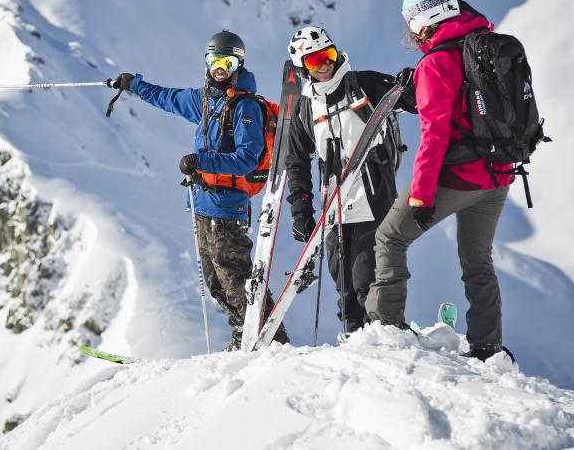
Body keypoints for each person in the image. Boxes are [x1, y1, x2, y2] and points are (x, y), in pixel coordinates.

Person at [109, 30, 289, 350]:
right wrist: (133, 84)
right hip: (203, 202)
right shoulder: (205, 101)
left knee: (234, 277)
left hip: (227, 204)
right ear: (206, 62)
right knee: (215, 282)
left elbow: (246, 159)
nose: (220, 68)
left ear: (238, 64)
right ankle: (244, 335)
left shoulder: (245, 107)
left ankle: (271, 340)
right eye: (214, 60)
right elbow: (168, 97)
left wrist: (201, 160)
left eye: (227, 62)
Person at [365, 0, 514, 362]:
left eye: (410, 19)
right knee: (478, 261)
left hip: (458, 176)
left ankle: (386, 331)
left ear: (422, 19)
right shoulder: (479, 43)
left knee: (390, 238)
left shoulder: (436, 62)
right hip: (498, 174)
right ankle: (487, 346)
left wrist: (421, 195)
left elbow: (435, 136)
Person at [283, 26, 404, 339]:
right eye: (314, 60)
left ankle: (384, 340)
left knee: (367, 280)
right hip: (334, 207)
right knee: (345, 287)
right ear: (302, 66)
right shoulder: (306, 106)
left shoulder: (364, 84)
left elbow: (413, 99)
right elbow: (296, 161)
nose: (324, 64)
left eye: (328, 55)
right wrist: (301, 211)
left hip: (372, 198)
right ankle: (354, 343)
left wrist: (413, 83)